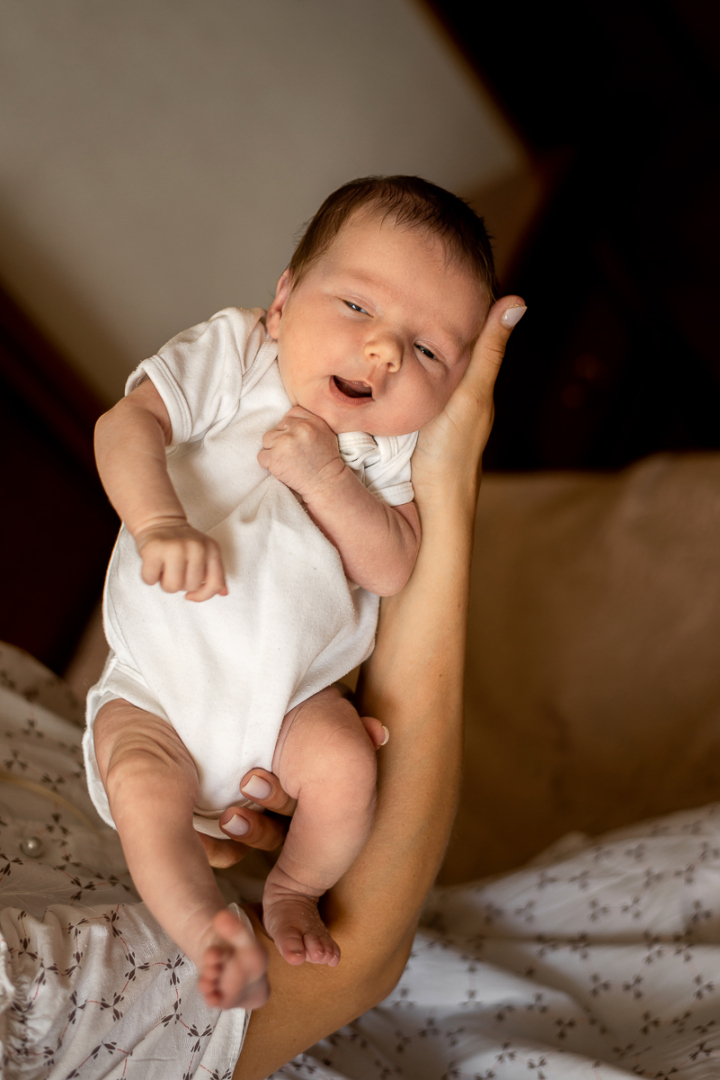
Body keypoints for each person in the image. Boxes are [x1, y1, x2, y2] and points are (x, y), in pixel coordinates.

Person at [83, 177, 515, 1009]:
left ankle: (291, 890)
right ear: (282, 301)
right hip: (154, 694)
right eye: (357, 306)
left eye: (428, 351)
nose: (385, 352)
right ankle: (207, 929)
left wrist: (325, 473)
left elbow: (389, 566)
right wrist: (158, 524)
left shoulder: (389, 452)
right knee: (145, 793)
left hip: (291, 710)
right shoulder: (238, 356)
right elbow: (124, 426)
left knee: (349, 766)